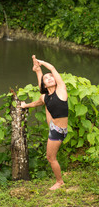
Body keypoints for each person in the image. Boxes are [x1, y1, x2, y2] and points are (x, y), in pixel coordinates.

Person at [20, 55, 68, 190]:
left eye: (51, 77)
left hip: (59, 131)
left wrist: (41, 63)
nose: (50, 78)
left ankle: (59, 182)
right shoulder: (45, 96)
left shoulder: (61, 90)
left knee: (50, 157)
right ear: (45, 84)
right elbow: (37, 101)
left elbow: (52, 69)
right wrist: (25, 106)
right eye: (46, 78)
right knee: (45, 100)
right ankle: (37, 72)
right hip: (53, 126)